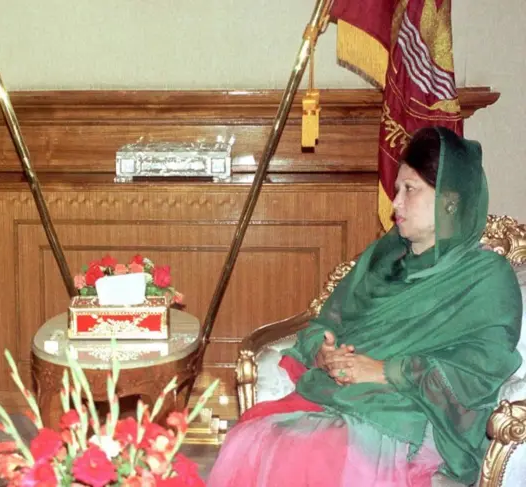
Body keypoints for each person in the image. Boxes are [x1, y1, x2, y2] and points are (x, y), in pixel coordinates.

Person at [208, 127, 522, 486]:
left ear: (449, 200)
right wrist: (324, 353)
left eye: (410, 190)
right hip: (339, 398)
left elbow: (484, 366)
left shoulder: (485, 276)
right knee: (254, 441)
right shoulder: (383, 259)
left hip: (413, 414)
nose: (395, 204)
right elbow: (321, 325)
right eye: (397, 190)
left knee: (309, 454)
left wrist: (387, 371)